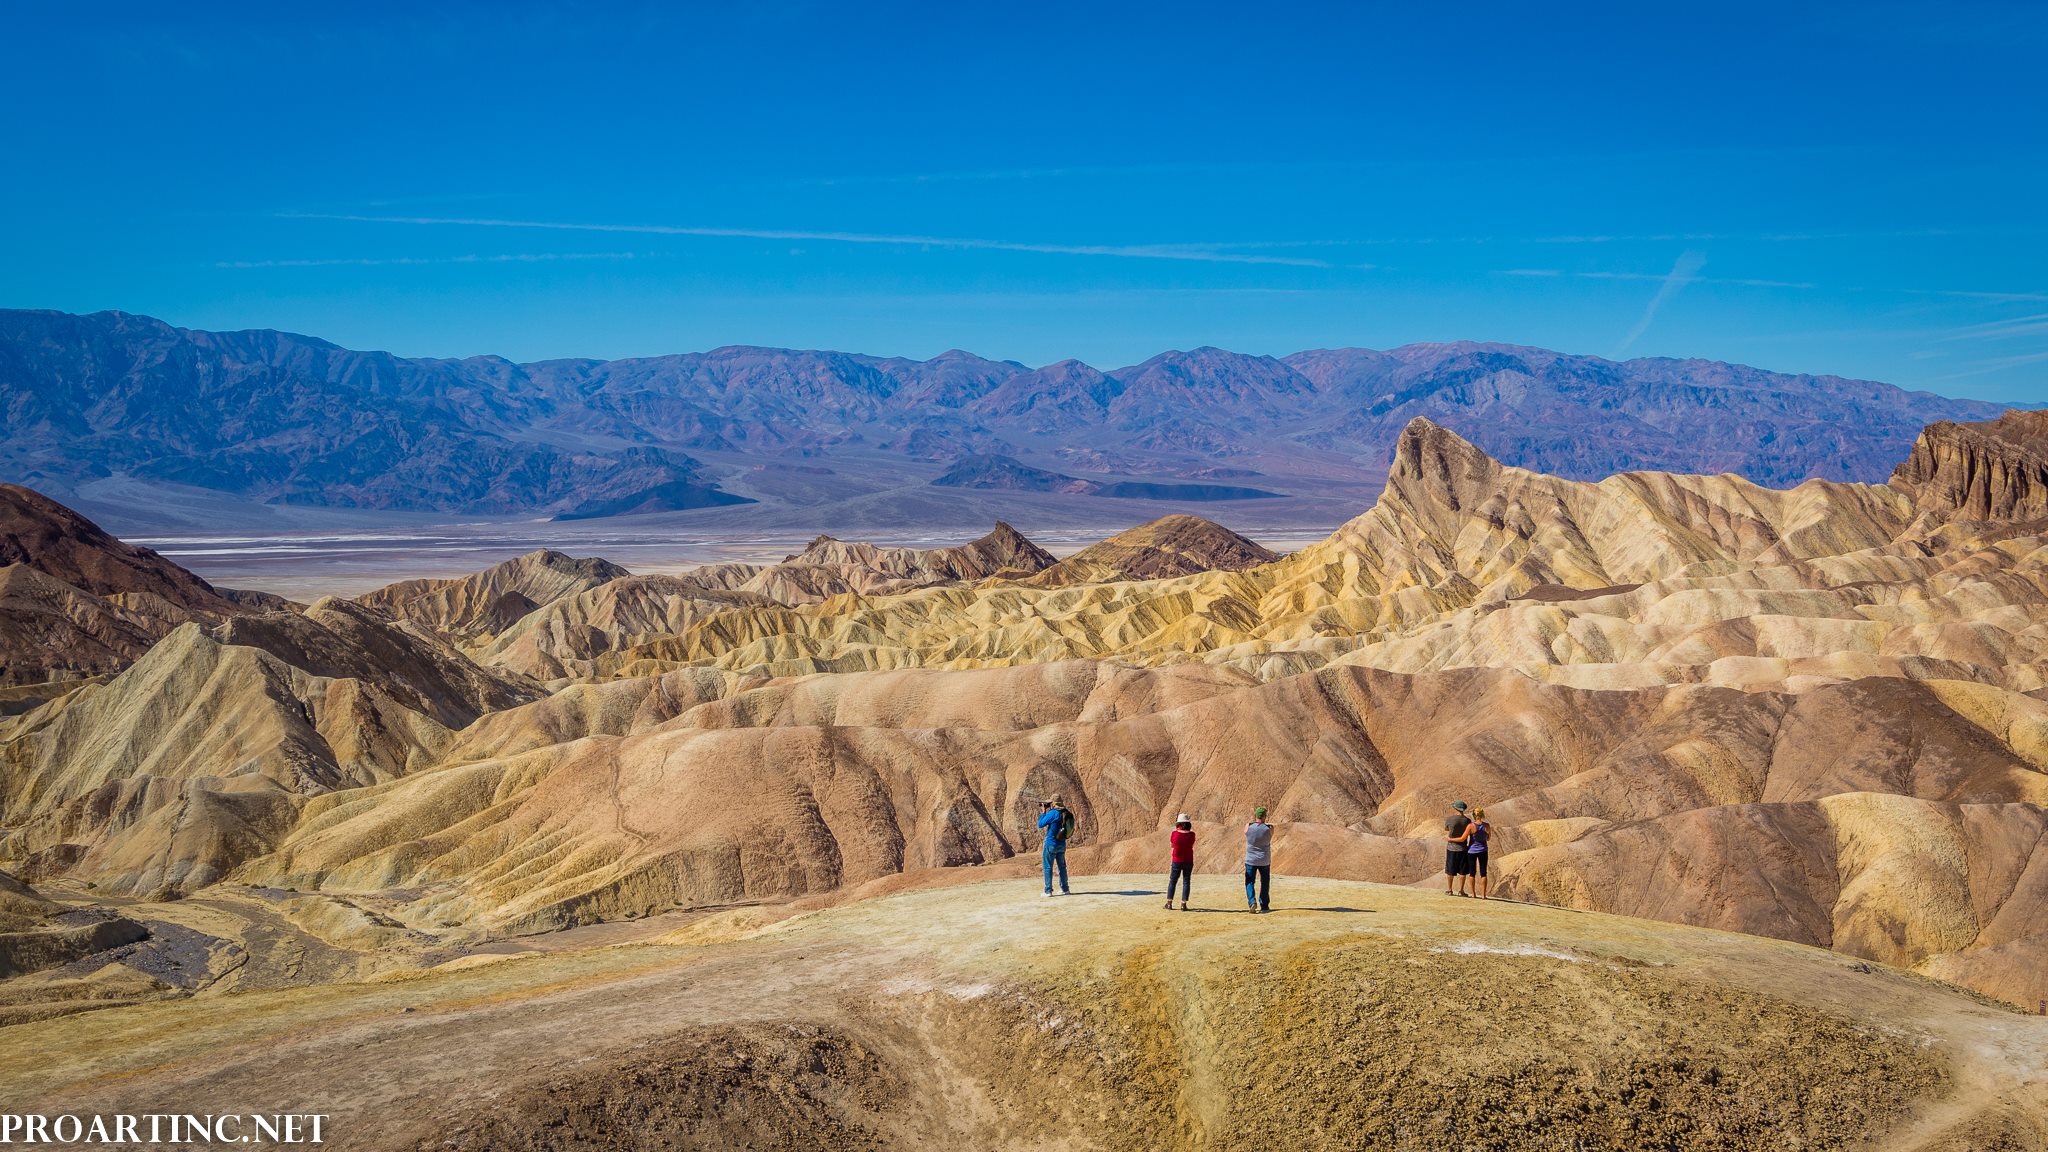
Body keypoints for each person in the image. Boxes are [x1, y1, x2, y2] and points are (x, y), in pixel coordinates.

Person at [1037, 797, 1072, 896]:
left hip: (1051, 844)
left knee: (1048, 867)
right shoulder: (1065, 812)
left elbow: (1040, 824)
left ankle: (1048, 890)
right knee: (1062, 867)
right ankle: (1065, 889)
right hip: (1062, 844)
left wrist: (1043, 812)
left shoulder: (1053, 813)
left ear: (1053, 803)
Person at [1243, 807, 1273, 913]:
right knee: (1265, 882)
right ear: (1265, 816)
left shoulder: (1248, 826)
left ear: (1255, 816)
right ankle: (1264, 905)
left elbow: (1245, 830)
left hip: (1250, 859)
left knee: (1250, 881)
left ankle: (1252, 902)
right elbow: (1271, 833)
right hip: (1264, 860)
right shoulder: (1269, 828)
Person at [1165, 814, 1195, 910]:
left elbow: (1171, 845)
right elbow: (1192, 845)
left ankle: (1169, 903)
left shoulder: (1175, 834)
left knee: (1173, 881)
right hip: (1189, 860)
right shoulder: (1192, 835)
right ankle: (1183, 904)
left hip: (1177, 860)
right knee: (1186, 881)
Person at [1444, 800, 1472, 896]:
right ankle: (1461, 891)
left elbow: (1446, 829)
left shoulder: (1450, 819)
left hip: (1451, 848)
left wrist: (1450, 838)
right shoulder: (1468, 821)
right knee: (1462, 871)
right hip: (1463, 848)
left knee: (1450, 870)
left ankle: (1449, 890)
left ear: (1455, 808)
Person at [1464, 807, 1492, 899]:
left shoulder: (1471, 826)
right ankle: (1483, 895)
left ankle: (1473, 894)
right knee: (1483, 873)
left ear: (1474, 815)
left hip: (1471, 851)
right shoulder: (1487, 826)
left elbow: (1464, 837)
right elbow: (1488, 838)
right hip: (1483, 850)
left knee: (1472, 873)